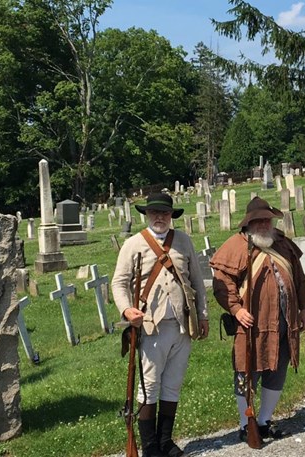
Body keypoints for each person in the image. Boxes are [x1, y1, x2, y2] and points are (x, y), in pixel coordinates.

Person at [112, 193, 209, 457]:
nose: (160, 217)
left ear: (171, 216)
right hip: (150, 327)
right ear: (147, 215)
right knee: (149, 386)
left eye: (164, 213)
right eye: (155, 213)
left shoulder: (184, 241)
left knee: (173, 385)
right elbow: (119, 283)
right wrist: (126, 309)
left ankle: (165, 441)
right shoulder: (133, 244)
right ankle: (150, 446)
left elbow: (198, 282)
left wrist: (203, 315)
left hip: (181, 326)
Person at [210, 197, 305, 441]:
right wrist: (236, 309)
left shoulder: (283, 244)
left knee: (277, 367)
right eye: (259, 220)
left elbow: (300, 278)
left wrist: (304, 308)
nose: (264, 224)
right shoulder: (236, 246)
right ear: (249, 223)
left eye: (267, 219)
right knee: (247, 369)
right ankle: (247, 424)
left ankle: (264, 421)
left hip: (285, 320)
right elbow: (222, 284)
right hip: (252, 322)